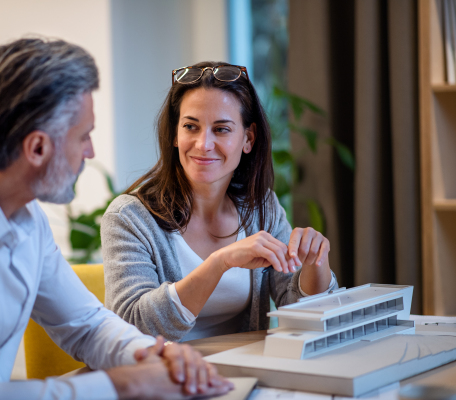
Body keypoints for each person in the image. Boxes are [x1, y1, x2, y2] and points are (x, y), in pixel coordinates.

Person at [0, 40, 233, 400]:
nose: (91, 151)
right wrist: (124, 386)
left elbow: (85, 324)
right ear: (37, 148)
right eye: (83, 136)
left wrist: (153, 356)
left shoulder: (23, 214)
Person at [102, 62, 338, 342]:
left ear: (248, 139)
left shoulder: (260, 208)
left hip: (245, 374)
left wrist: (315, 263)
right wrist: (220, 262)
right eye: (191, 126)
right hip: (162, 378)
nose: (203, 144)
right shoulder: (129, 218)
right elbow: (132, 325)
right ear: (175, 135)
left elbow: (300, 311)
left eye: (221, 129)